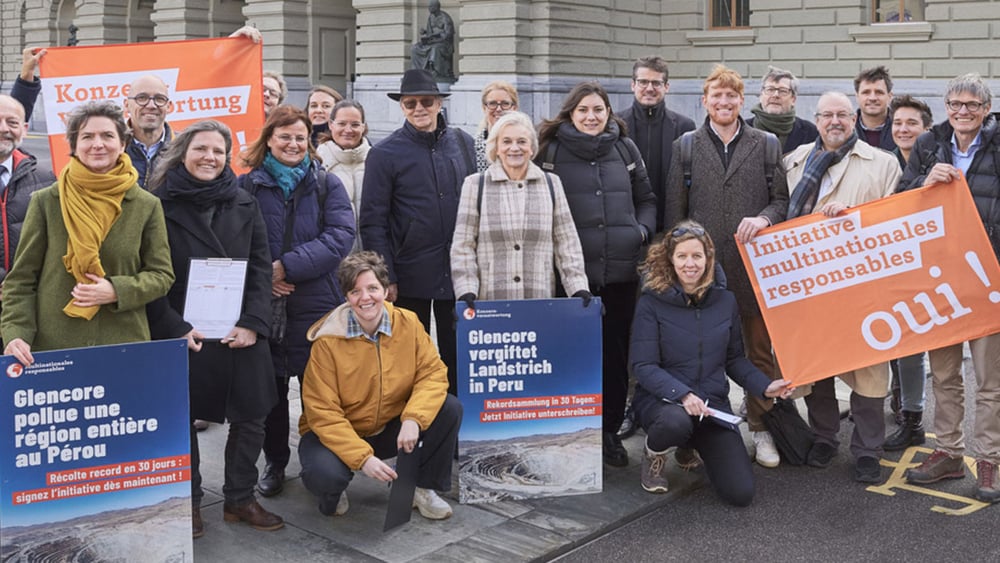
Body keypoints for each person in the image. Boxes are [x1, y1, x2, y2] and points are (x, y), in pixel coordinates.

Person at [145, 120, 282, 537]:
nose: (210, 157)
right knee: (181, 418)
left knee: (253, 414)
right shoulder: (155, 204)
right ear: (183, 153)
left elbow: (261, 266)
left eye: (218, 151)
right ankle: (190, 504)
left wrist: (253, 324)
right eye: (201, 148)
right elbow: (147, 273)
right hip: (185, 332)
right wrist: (173, 326)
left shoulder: (243, 201)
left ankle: (240, 497)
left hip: (238, 329)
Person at [664, 65, 789, 470]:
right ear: (705, 100)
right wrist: (681, 265)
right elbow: (674, 217)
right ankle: (696, 432)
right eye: (716, 96)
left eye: (731, 96)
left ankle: (760, 425)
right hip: (700, 274)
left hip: (752, 269)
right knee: (696, 354)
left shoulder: (766, 144)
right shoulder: (685, 146)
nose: (723, 102)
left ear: (741, 100)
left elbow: (781, 202)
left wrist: (765, 219)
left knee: (757, 353)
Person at [536, 81, 656, 467]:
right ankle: (570, 431)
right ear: (570, 113)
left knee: (615, 355)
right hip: (570, 275)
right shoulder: (550, 151)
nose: (591, 117)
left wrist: (641, 232)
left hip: (621, 273)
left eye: (598, 110)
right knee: (570, 356)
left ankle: (607, 432)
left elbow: (647, 199)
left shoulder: (624, 147)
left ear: (609, 113)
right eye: (583, 110)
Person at [630, 221, 792, 505]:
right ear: (670, 259)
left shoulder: (725, 301)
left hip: (711, 407)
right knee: (674, 423)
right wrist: (682, 394)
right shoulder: (651, 302)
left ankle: (688, 447)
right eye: (682, 256)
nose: (689, 264)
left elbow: (734, 360)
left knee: (740, 493)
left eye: (697, 256)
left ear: (708, 259)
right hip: (664, 404)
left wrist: (766, 387)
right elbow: (643, 367)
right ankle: (655, 452)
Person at [239, 105, 356, 498]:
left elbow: (340, 237)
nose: (292, 143)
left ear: (310, 141)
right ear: (269, 139)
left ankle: (322, 464)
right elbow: (232, 242)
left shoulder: (326, 185)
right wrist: (263, 278)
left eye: (300, 137)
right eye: (284, 136)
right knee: (269, 395)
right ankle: (274, 462)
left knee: (319, 392)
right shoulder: (247, 186)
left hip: (315, 305)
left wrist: (285, 267)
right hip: (264, 307)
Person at [1, 100, 174, 364]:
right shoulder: (48, 201)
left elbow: (161, 275)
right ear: (74, 145)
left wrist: (117, 290)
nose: (98, 144)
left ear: (123, 143)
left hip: (123, 346)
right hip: (56, 351)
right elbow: (21, 280)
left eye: (107, 135)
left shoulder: (146, 205)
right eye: (87, 136)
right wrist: (15, 334)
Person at [784, 91, 900, 483]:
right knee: (818, 366)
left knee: (869, 371)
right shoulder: (795, 160)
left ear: (854, 119)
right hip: (808, 286)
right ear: (815, 120)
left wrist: (855, 219)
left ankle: (868, 450)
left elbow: (895, 221)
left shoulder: (883, 164)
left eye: (842, 115)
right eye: (827, 115)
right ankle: (823, 437)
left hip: (861, 288)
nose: (835, 121)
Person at [297, 251, 462, 520]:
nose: (365, 298)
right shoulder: (327, 342)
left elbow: (432, 374)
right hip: (336, 433)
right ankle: (333, 490)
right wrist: (363, 458)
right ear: (347, 297)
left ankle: (420, 487)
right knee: (325, 476)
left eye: (372, 288)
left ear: (386, 290)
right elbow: (322, 413)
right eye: (355, 291)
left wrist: (413, 419)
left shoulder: (408, 323)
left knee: (449, 407)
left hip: (389, 426)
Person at [898, 72, 1000, 503]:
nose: (962, 112)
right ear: (946, 107)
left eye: (972, 106)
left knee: (990, 379)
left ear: (986, 109)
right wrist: (924, 184)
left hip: (986, 277)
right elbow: (900, 198)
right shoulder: (928, 143)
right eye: (955, 104)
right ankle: (948, 452)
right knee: (944, 373)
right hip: (938, 279)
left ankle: (990, 459)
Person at [360, 68, 476, 397]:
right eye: (410, 103)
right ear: (402, 107)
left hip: (459, 270)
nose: (418, 108)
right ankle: (416, 426)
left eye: (426, 101)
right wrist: (386, 277)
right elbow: (373, 220)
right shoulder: (384, 153)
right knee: (410, 358)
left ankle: (458, 429)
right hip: (409, 271)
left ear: (439, 103)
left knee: (459, 355)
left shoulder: (464, 144)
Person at [451, 111, 590, 302]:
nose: (514, 148)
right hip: (490, 303)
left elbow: (567, 243)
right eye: (506, 142)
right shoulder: (475, 185)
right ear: (496, 148)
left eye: (522, 141)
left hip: (538, 299)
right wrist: (466, 290)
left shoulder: (551, 183)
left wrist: (578, 288)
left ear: (532, 148)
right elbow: (463, 245)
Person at [884, 94, 933, 451]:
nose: (903, 129)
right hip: (891, 267)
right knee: (902, 345)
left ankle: (923, 418)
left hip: (931, 265)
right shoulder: (884, 164)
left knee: (927, 351)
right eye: (898, 123)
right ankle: (907, 415)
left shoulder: (939, 160)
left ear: (926, 129)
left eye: (912, 123)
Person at [622, 56, 696, 233]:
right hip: (628, 226)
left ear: (666, 87)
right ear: (633, 85)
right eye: (643, 82)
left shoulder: (685, 127)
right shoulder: (616, 125)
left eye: (656, 83)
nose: (649, 88)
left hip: (671, 226)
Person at [0, 95, 55, 322]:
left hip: (29, 309)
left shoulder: (47, 180)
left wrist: (21, 286)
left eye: (12, 123)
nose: (3, 129)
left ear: (24, 129)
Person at [316, 99, 370, 251]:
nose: (348, 130)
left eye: (355, 124)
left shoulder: (377, 161)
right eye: (342, 124)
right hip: (333, 257)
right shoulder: (317, 164)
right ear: (330, 125)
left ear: (363, 127)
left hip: (372, 259)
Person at [747, 66, 819, 155]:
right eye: (770, 90)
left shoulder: (810, 132)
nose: (775, 95)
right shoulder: (742, 130)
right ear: (761, 96)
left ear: (793, 99)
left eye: (783, 91)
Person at [125, 74, 173, 188]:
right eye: (142, 98)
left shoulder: (184, 148)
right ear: (127, 105)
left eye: (159, 99)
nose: (151, 105)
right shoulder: (112, 149)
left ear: (169, 106)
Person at [474, 81, 519, 172]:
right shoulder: (472, 147)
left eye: (505, 104)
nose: (498, 109)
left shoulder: (525, 145)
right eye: (492, 103)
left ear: (514, 108)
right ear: (484, 107)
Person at [853, 65, 896, 151]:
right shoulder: (846, 129)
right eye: (866, 92)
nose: (872, 98)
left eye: (879, 92)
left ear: (890, 96)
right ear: (857, 96)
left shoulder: (902, 130)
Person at [410, 0, 455, 81]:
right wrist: (425, 32)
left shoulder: (445, 18)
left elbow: (448, 34)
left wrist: (436, 39)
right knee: (415, 48)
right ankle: (419, 71)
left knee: (435, 48)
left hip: (444, 44)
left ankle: (435, 71)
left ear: (437, 7)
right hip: (432, 41)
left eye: (431, 6)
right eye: (429, 7)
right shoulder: (431, 17)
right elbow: (430, 32)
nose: (429, 8)